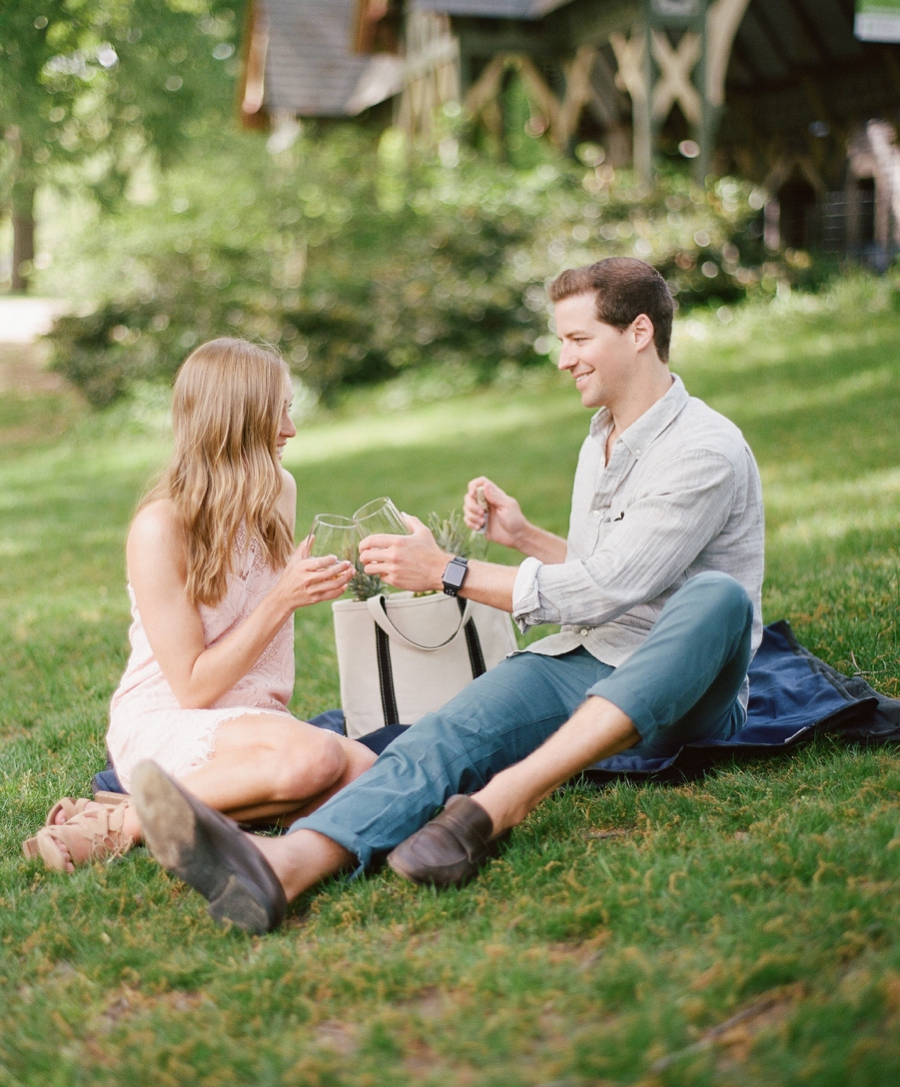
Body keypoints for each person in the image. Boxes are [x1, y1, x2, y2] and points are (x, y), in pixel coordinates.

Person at [129, 258, 765, 934]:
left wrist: (449, 571)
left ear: (640, 332)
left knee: (719, 596)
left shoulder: (705, 449)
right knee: (443, 731)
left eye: (578, 340)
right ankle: (289, 864)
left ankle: (500, 803)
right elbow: (612, 573)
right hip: (589, 655)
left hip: (685, 691)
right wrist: (525, 536)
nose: (561, 358)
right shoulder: (602, 438)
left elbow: (610, 587)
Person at [23, 338, 375, 872]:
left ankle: (186, 807)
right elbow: (191, 687)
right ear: (234, 422)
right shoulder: (159, 528)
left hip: (257, 719)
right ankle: (118, 826)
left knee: (372, 777)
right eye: (276, 412)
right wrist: (282, 600)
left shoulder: (279, 490)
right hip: (169, 718)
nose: (291, 430)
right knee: (321, 756)